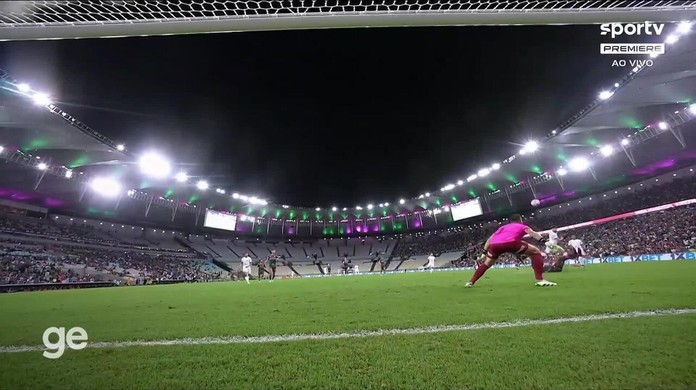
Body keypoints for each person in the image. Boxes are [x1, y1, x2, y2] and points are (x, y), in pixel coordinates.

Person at [466, 214, 556, 287]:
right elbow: (532, 233)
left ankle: (470, 282)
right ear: (520, 219)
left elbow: (489, 239)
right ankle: (540, 280)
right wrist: (544, 241)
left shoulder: (502, 228)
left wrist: (484, 253)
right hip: (511, 243)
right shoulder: (522, 226)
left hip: (494, 245)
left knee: (487, 264)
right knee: (536, 252)